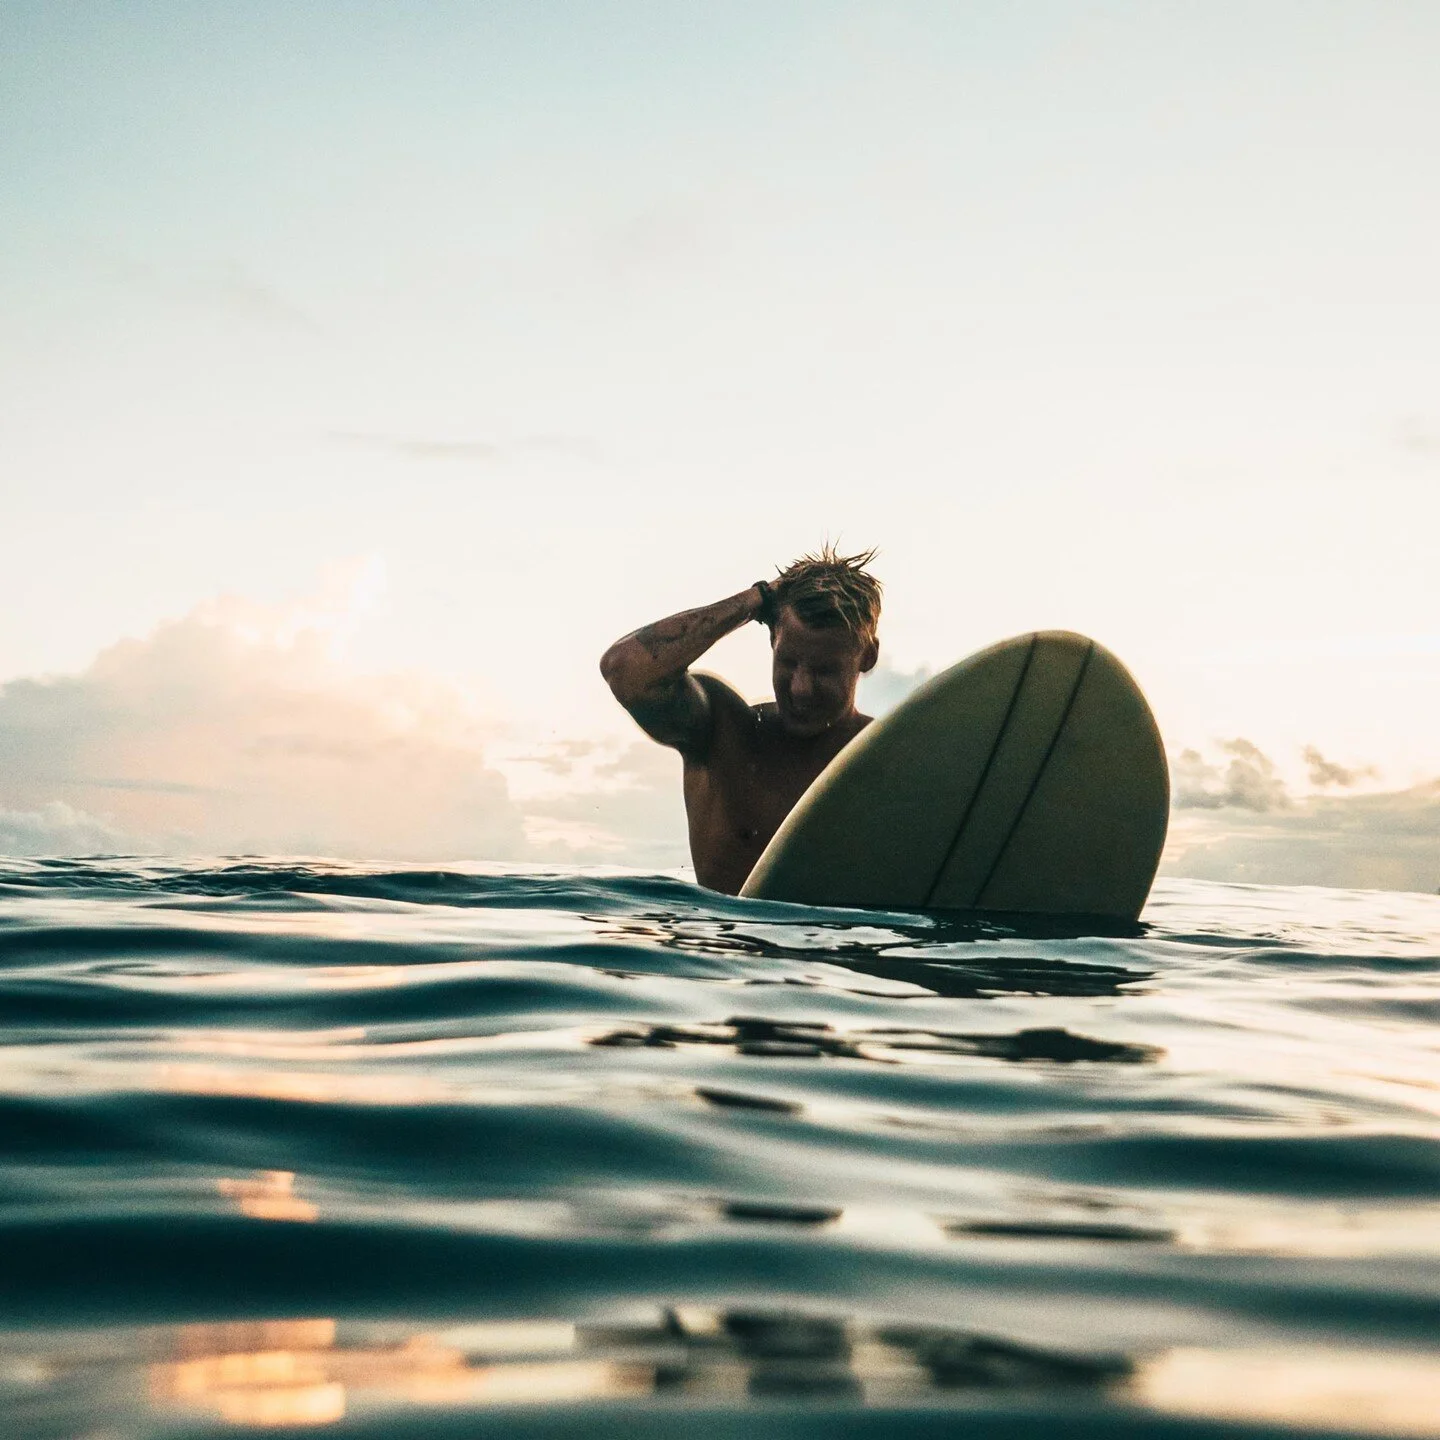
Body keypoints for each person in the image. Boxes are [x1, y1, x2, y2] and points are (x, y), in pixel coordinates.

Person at [600, 546, 882, 894]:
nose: (801, 688)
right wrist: (758, 599)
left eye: (824, 670)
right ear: (772, 639)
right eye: (789, 663)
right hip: (728, 944)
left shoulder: (888, 755)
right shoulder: (725, 733)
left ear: (867, 657)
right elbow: (626, 669)